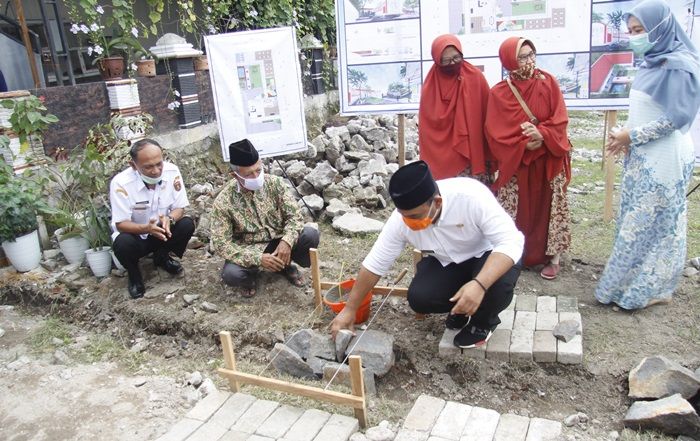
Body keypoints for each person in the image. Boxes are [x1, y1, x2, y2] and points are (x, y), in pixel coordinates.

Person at [330, 161, 523, 348]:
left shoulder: (471, 197)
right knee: (421, 297)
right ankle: (462, 308)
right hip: (448, 262)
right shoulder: (401, 220)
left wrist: (479, 285)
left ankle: (482, 323)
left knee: (497, 286)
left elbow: (511, 241)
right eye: (404, 215)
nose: (408, 222)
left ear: (437, 202)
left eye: (415, 216)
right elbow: (375, 263)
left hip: (488, 255)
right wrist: (350, 309)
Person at [596, 0, 700, 309]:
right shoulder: (650, 63)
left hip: (665, 158)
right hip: (642, 157)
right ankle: (623, 286)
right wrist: (626, 139)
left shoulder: (680, 65)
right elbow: (645, 111)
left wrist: (631, 135)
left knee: (658, 226)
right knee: (634, 222)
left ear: (660, 27)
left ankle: (653, 290)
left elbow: (677, 118)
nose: (634, 37)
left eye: (639, 30)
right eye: (630, 31)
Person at [484, 37, 572, 280]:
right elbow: (495, 133)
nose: (529, 60)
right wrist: (523, 143)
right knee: (518, 211)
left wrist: (542, 134)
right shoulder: (499, 93)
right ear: (509, 60)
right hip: (518, 162)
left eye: (532, 54)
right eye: (523, 56)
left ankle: (552, 257)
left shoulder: (548, 82)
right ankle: (514, 255)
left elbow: (560, 119)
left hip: (547, 158)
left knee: (548, 207)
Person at [210, 139, 320, 298]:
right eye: (248, 174)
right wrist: (257, 258)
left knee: (310, 235)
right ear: (235, 175)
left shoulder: (275, 184)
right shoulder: (223, 201)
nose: (256, 176)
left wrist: (287, 241)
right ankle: (250, 277)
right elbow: (221, 243)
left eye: (258, 170)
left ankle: (285, 266)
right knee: (231, 275)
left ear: (261, 163)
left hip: (278, 239)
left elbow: (295, 215)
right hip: (249, 247)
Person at [110, 139, 195, 299]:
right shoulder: (121, 184)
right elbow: (121, 224)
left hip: (162, 231)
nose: (156, 171)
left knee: (186, 224)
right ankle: (134, 275)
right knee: (122, 243)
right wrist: (146, 229)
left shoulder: (172, 172)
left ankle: (161, 257)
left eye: (159, 164)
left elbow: (180, 208)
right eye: (148, 167)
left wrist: (170, 218)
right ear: (133, 165)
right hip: (137, 236)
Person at [418, 34, 491, 181]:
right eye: (446, 60)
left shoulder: (475, 77)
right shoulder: (430, 87)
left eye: (457, 58)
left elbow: (488, 115)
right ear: (437, 61)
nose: (452, 63)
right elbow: (428, 129)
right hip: (442, 159)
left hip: (472, 153)